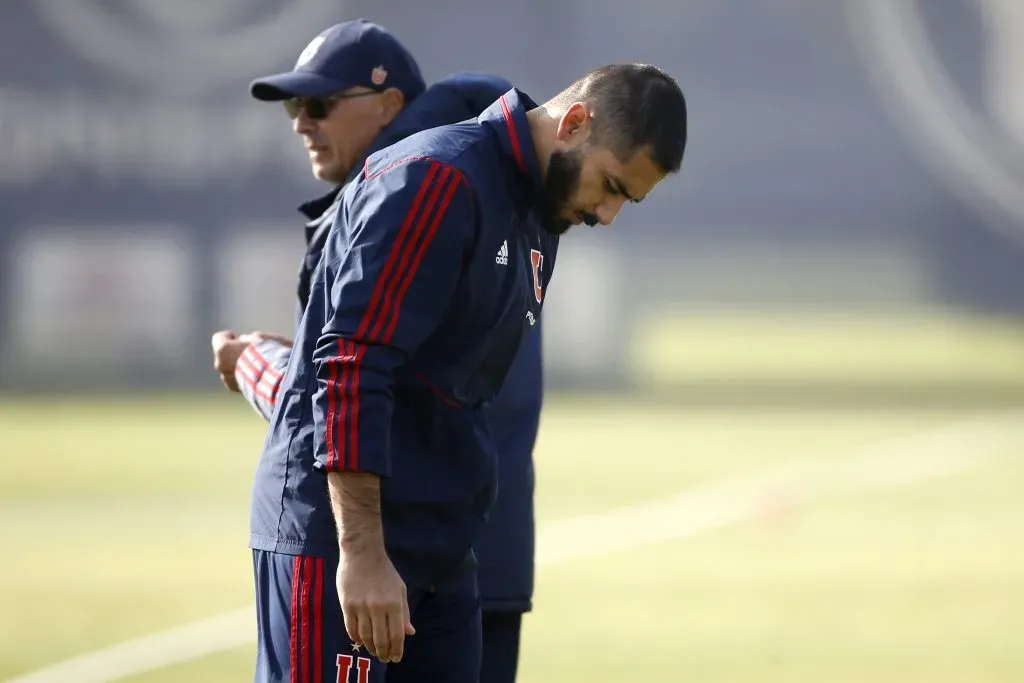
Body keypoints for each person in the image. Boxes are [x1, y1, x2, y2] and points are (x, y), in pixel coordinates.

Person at [245, 46, 687, 683]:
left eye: (627, 202)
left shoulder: (539, 214)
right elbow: (351, 366)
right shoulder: (437, 178)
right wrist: (363, 554)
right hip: (343, 538)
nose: (606, 214)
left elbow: (457, 391)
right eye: (611, 186)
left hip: (442, 551)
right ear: (573, 124)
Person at [210, 19, 542, 682]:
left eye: (320, 102)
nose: (302, 122)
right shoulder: (497, 196)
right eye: (294, 106)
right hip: (480, 552)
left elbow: (353, 395)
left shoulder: (406, 200)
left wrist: (254, 363)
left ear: (392, 105)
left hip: (402, 558)